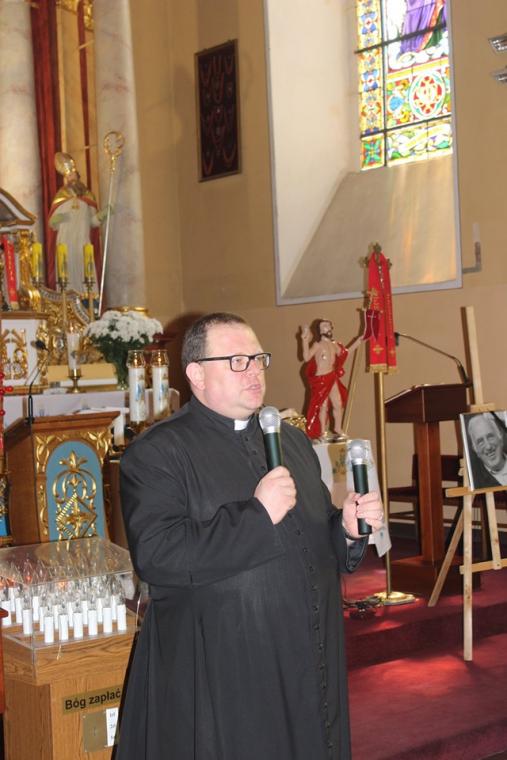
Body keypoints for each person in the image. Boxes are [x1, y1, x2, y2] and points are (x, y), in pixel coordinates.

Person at [117, 312, 383, 760]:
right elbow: (158, 555)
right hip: (227, 672)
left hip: (305, 654)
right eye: (237, 361)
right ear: (196, 374)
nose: (254, 370)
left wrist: (347, 529)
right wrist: (257, 517)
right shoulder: (158, 453)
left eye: (258, 358)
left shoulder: (292, 442)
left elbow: (314, 537)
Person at [48, 152, 107, 292]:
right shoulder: (60, 196)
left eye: (73, 175)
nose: (71, 178)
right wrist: (63, 217)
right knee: (67, 276)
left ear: (78, 176)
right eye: (68, 176)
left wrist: (105, 213)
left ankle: (88, 301)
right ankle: (67, 301)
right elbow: (52, 224)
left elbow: (93, 222)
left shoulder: (88, 196)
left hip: (82, 242)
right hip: (65, 243)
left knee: (85, 277)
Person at [301, 319, 362, 440]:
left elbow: (345, 353)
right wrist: (304, 341)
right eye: (324, 326)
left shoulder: (335, 345)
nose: (327, 328)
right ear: (320, 331)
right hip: (321, 379)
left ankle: (338, 428)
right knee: (323, 406)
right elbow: (306, 357)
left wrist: (358, 341)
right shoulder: (318, 345)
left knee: (338, 403)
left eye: (328, 326)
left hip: (332, 377)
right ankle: (322, 432)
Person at [467, 412, 507, 487]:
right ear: (475, 449)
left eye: (490, 437)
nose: (488, 447)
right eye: (480, 442)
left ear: (500, 438)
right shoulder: (476, 483)